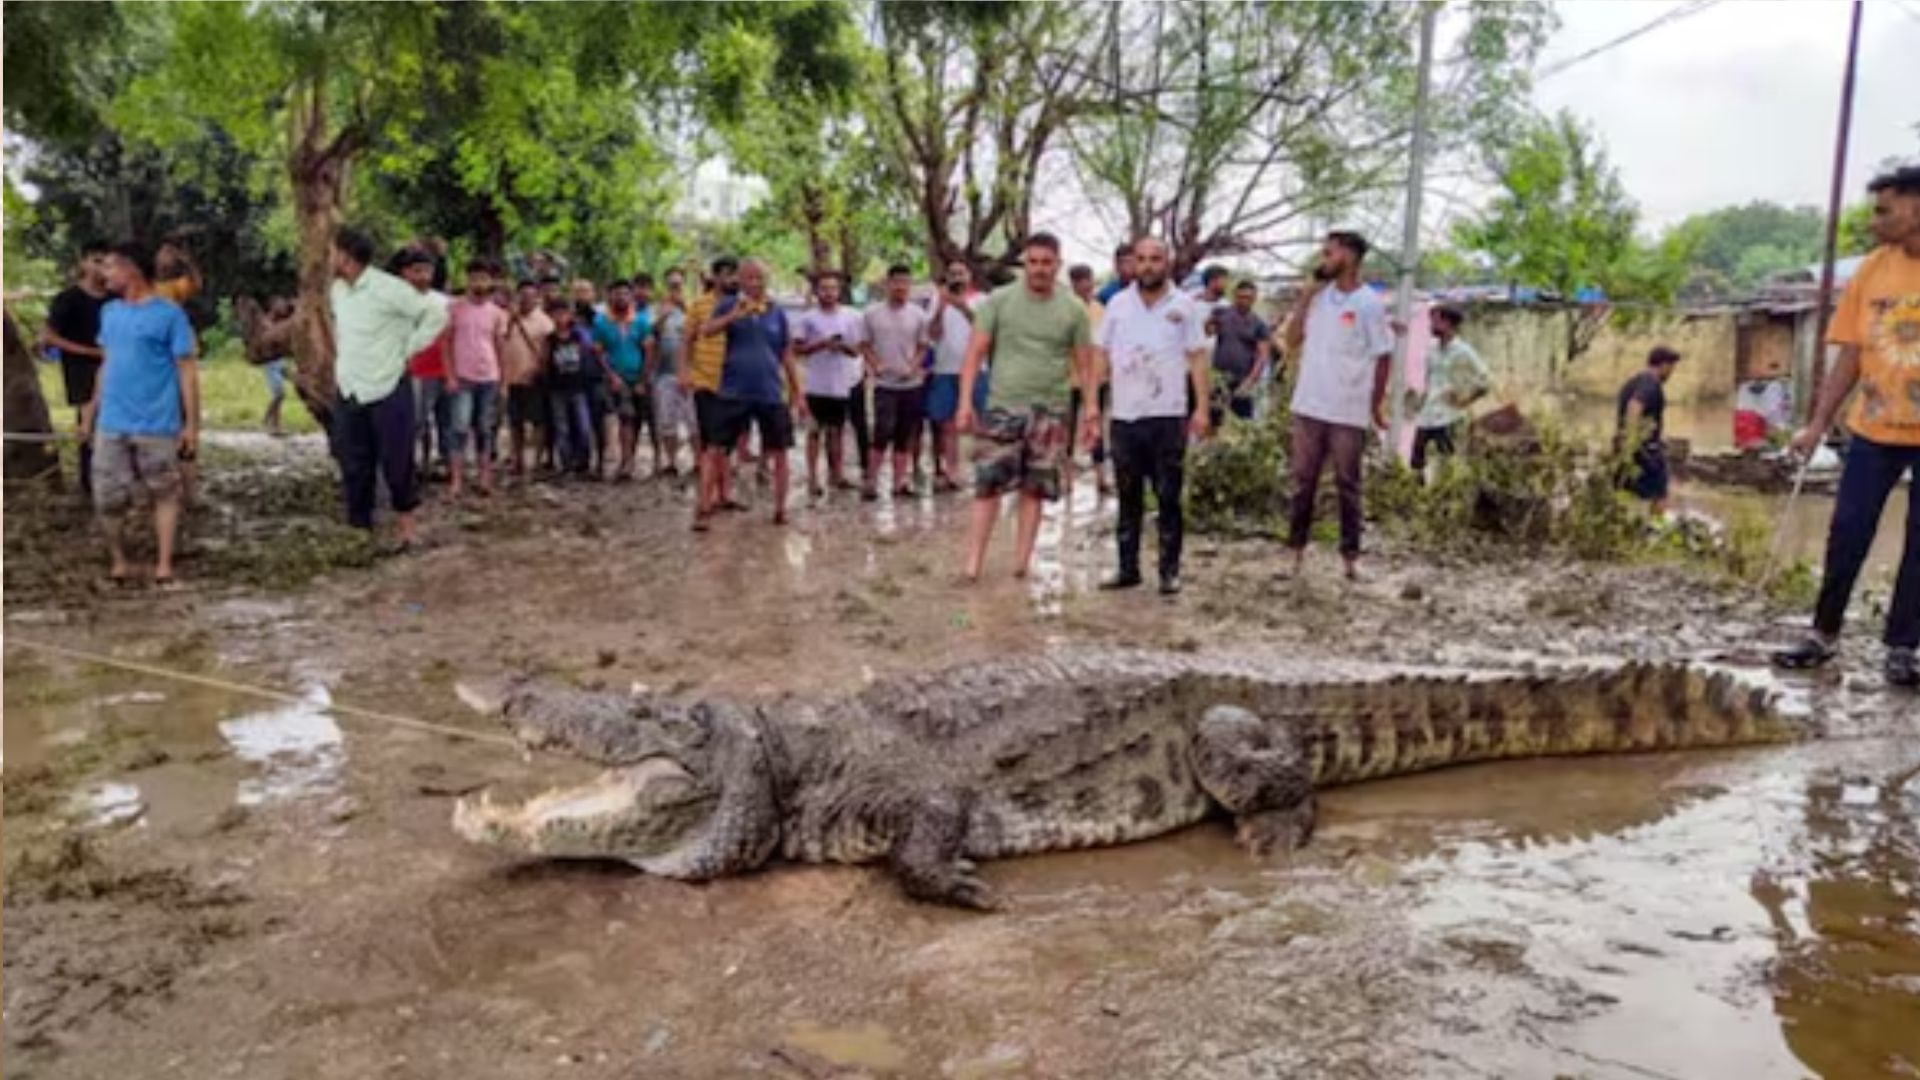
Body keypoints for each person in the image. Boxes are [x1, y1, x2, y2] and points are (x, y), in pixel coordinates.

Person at [1772, 165, 1920, 688]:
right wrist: (1816, 424)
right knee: (1847, 532)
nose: (1875, 221)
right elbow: (1850, 356)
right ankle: (1823, 634)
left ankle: (1903, 648)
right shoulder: (1872, 271)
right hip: (1873, 432)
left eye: (1886, 210)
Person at [957, 232, 1096, 580]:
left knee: (1034, 488)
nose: (1039, 270)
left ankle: (1021, 563)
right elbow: (974, 354)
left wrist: (1091, 410)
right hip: (1003, 405)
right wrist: (964, 402)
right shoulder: (998, 301)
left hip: (1051, 409)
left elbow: (1086, 365)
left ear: (1057, 264)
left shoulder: (1073, 309)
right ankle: (973, 564)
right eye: (1032, 262)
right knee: (988, 485)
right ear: (1024, 265)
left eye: (1046, 263)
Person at [75, 242, 198, 588]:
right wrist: (89, 413)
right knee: (107, 495)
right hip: (112, 421)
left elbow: (186, 369)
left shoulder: (169, 315)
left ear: (132, 271)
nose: (105, 273)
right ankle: (119, 561)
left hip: (157, 422)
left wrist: (191, 425)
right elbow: (106, 363)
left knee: (164, 491)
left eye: (111, 267)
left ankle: (163, 566)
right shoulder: (110, 313)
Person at [1095, 238, 1210, 595]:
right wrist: (1091, 407)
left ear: (1168, 262)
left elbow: (1197, 358)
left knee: (1168, 497)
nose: (1147, 266)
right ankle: (1127, 569)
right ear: (1132, 264)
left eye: (1155, 259)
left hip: (1168, 416)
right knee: (1128, 497)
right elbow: (1101, 355)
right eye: (1141, 259)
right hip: (1126, 416)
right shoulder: (1116, 304)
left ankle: (1169, 572)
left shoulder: (1185, 306)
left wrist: (1202, 408)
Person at [328, 227, 448, 548]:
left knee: (397, 460)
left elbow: (435, 312)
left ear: (346, 255)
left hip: (387, 384)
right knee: (353, 460)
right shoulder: (338, 290)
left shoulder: (388, 288)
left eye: (332, 251)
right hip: (350, 385)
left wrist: (407, 348)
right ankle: (360, 528)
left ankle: (407, 529)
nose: (328, 258)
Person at [1284, 230, 1392, 581]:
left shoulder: (1369, 304)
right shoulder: (1318, 297)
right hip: (1308, 405)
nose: (1323, 259)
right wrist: (1303, 299)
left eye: (1329, 253)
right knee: (1303, 483)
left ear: (1349, 256)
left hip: (1347, 410)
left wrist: (1375, 406)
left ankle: (1350, 558)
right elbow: (1292, 340)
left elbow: (1383, 357)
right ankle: (1295, 554)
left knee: (1349, 484)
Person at [698, 258, 807, 527]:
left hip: (770, 391)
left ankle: (781, 510)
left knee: (780, 450)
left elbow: (786, 354)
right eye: (750, 278)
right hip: (733, 389)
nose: (755, 283)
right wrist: (732, 316)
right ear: (740, 280)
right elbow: (705, 331)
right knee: (715, 449)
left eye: (760, 278)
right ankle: (703, 508)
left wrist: (798, 392)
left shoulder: (776, 312)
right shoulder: (728, 304)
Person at [41, 241, 112, 493]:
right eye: (96, 261)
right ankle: (88, 483)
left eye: (106, 261)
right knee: (88, 424)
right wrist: (90, 351)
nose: (101, 268)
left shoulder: (117, 298)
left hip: (117, 367)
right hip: (82, 368)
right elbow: (48, 336)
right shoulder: (68, 298)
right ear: (83, 263)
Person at [861, 263, 931, 499]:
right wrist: (875, 364)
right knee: (882, 431)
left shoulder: (919, 315)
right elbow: (864, 344)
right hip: (884, 384)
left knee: (905, 434)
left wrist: (913, 367)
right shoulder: (872, 313)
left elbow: (923, 346)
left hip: (910, 384)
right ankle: (871, 481)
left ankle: (899, 483)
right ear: (887, 284)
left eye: (905, 283)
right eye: (896, 282)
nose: (900, 287)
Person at [795, 269, 864, 496]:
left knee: (837, 431)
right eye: (824, 289)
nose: (829, 293)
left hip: (841, 383)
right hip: (816, 384)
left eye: (833, 288)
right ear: (816, 291)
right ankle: (813, 478)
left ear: (840, 291)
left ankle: (837, 474)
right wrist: (822, 344)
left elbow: (857, 350)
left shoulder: (852, 316)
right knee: (814, 431)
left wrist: (842, 347)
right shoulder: (807, 319)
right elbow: (797, 349)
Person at [684, 257, 740, 524]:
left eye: (735, 275)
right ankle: (704, 501)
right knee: (710, 443)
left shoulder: (744, 304)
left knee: (727, 445)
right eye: (727, 274)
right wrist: (684, 373)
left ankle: (725, 495)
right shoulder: (699, 305)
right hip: (705, 381)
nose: (732, 280)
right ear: (715, 276)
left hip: (734, 383)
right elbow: (687, 341)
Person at [447, 258, 508, 498]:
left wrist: (503, 380)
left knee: (485, 428)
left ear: (491, 281)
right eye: (474, 278)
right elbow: (446, 343)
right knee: (459, 427)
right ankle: (456, 480)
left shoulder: (497, 313)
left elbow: (500, 347)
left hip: (489, 377)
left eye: (484, 278)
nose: (479, 282)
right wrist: (450, 374)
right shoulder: (454, 308)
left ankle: (485, 477)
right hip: (462, 377)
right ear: (467, 280)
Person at [393, 249, 455, 480]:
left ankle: (446, 463)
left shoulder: (444, 302)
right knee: (417, 421)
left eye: (427, 270)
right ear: (404, 273)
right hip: (414, 370)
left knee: (446, 421)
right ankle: (416, 464)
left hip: (443, 368)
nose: (423, 276)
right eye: (417, 270)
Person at [1410, 304, 1490, 475]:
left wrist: (1465, 401)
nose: (1431, 326)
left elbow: (1486, 381)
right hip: (1428, 412)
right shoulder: (1431, 349)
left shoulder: (1463, 351)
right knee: (1416, 459)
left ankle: (1446, 496)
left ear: (1447, 323)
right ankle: (1419, 495)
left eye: (1435, 321)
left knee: (1447, 461)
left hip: (1449, 415)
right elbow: (1428, 377)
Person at [592, 278, 655, 481]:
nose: (621, 297)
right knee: (617, 417)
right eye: (617, 293)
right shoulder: (601, 322)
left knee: (633, 419)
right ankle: (616, 461)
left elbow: (649, 352)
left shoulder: (641, 321)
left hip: (636, 377)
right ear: (610, 296)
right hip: (612, 378)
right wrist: (610, 375)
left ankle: (629, 461)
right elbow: (599, 352)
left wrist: (642, 380)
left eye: (625, 294)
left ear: (631, 296)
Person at [925, 259, 976, 491]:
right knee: (947, 425)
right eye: (952, 273)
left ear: (969, 276)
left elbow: (983, 328)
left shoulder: (981, 300)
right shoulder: (937, 300)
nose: (957, 278)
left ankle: (985, 470)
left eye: (961, 273)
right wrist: (941, 308)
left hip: (976, 369)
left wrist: (961, 305)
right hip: (945, 369)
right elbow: (933, 335)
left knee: (981, 422)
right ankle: (952, 471)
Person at [1615, 346, 1682, 515]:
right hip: (1644, 451)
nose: (1672, 373)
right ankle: (1656, 532)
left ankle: (1627, 533)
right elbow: (1635, 406)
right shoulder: (1651, 383)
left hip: (1624, 449)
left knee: (1624, 495)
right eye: (1672, 367)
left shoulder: (1633, 381)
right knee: (1659, 495)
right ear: (1664, 365)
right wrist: (1633, 442)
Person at [499, 279, 554, 478]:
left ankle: (537, 461)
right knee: (515, 422)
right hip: (512, 379)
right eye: (522, 295)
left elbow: (548, 352)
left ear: (537, 298)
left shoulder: (545, 322)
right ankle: (517, 459)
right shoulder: (507, 318)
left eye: (531, 296)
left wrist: (537, 370)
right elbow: (501, 342)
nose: (526, 300)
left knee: (538, 422)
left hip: (534, 379)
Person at [1208, 280, 1273, 426]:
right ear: (1234, 296)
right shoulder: (1221, 313)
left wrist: (1251, 380)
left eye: (1248, 298)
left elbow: (1263, 356)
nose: (1244, 301)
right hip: (1220, 379)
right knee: (1214, 421)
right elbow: (1207, 333)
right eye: (1241, 297)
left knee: (1241, 424)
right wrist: (1209, 322)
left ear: (1254, 299)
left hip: (1243, 381)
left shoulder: (1259, 324)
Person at [650, 267, 695, 478]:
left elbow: (700, 332)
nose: (675, 288)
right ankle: (671, 461)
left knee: (694, 420)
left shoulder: (693, 306)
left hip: (690, 371)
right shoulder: (658, 308)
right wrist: (663, 316)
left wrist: (684, 308)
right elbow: (652, 336)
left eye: (678, 284)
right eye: (671, 284)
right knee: (667, 421)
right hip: (665, 372)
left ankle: (698, 461)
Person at [544, 300, 597, 477]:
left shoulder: (578, 336)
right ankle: (566, 464)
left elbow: (591, 353)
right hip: (557, 389)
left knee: (583, 426)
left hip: (578, 387)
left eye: (564, 314)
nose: (561, 318)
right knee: (562, 427)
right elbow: (544, 362)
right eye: (557, 314)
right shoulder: (549, 339)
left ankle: (583, 462)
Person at [257, 297, 297, 436]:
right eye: (279, 304)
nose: (282, 307)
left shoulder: (278, 322)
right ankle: (267, 418)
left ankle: (276, 426)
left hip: (278, 361)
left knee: (281, 393)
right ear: (272, 306)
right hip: (270, 362)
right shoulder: (266, 323)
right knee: (279, 394)